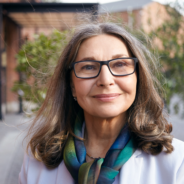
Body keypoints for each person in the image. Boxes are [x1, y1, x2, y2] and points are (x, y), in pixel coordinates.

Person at [19, 22, 184, 184]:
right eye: (89, 67)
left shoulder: (176, 162)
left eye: (120, 64)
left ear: (138, 78)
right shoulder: (37, 162)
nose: (105, 80)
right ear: (72, 86)